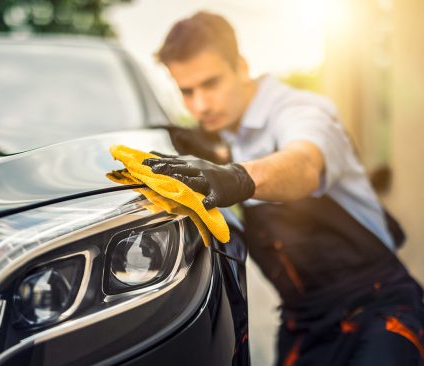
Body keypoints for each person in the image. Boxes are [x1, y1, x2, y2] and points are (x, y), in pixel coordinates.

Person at [143, 11, 424, 365]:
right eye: (187, 91)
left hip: (377, 309)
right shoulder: (223, 137)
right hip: (302, 324)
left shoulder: (301, 110)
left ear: (241, 66)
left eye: (211, 84)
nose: (200, 105)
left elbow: (304, 163)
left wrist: (237, 178)